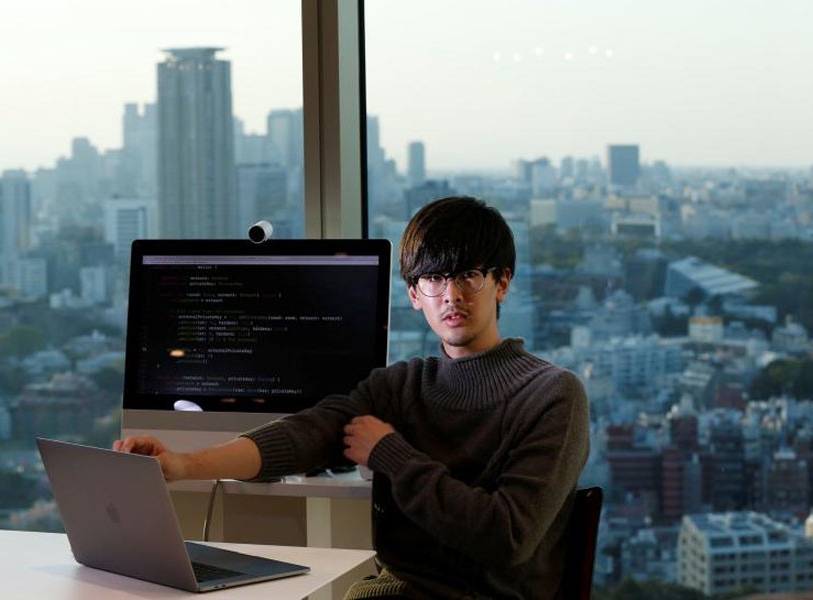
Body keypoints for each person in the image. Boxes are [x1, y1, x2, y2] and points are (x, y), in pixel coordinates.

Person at [115, 196, 590, 599]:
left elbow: (507, 539)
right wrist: (181, 465)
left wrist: (391, 455)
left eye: (469, 275)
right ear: (413, 294)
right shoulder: (400, 387)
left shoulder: (552, 395)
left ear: (502, 282)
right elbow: (306, 434)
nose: (451, 295)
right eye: (434, 279)